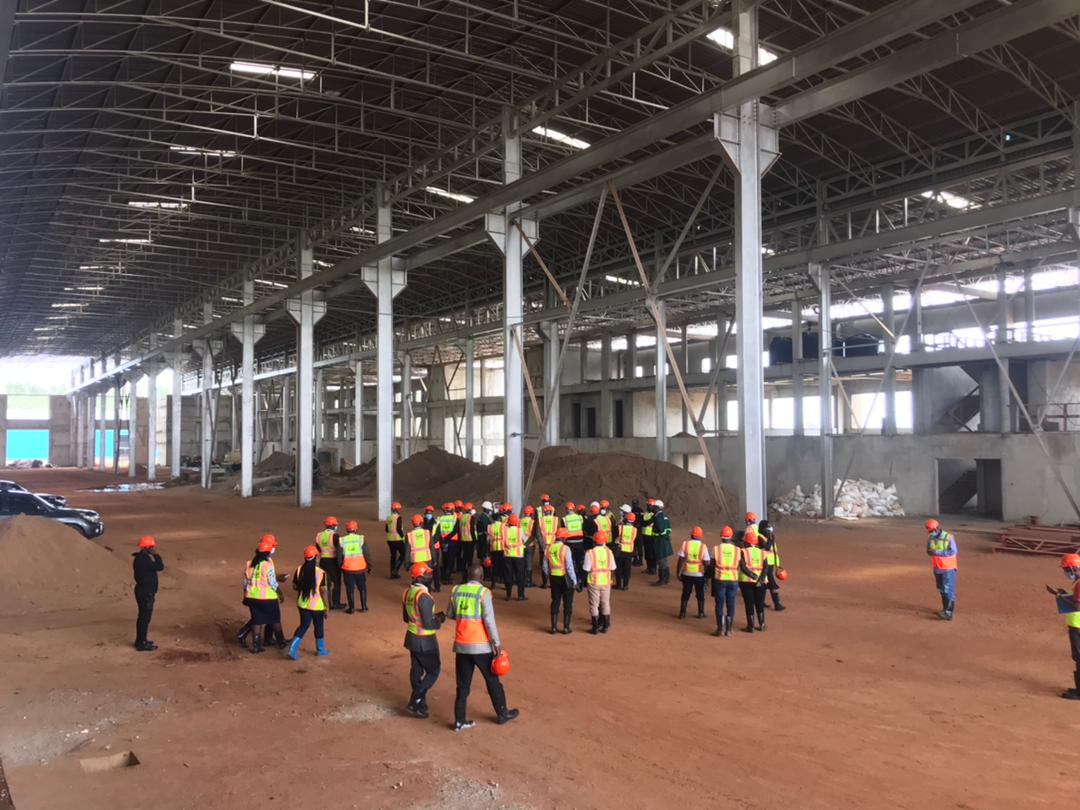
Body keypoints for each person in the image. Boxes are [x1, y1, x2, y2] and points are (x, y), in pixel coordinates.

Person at [446, 565, 520, 731]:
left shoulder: (456, 590)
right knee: (492, 680)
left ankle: (459, 720)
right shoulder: (483, 593)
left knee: (463, 685)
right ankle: (502, 713)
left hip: (461, 646)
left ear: (467, 576)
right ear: (482, 577)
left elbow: (451, 614)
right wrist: (497, 644)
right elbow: (489, 621)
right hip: (481, 647)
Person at [403, 562, 446, 717]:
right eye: (427, 574)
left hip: (411, 637)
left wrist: (432, 617)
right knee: (434, 670)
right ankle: (415, 700)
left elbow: (406, 617)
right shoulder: (424, 597)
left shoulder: (408, 592)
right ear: (420, 577)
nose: (430, 576)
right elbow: (428, 624)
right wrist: (439, 620)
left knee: (416, 670)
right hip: (425, 640)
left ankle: (420, 703)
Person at [237, 534, 286, 649]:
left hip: (252, 597)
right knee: (275, 620)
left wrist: (245, 594)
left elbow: (246, 581)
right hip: (267, 598)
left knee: (257, 621)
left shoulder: (250, 564)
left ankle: (256, 646)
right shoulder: (268, 564)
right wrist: (280, 593)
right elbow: (272, 582)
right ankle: (281, 642)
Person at [288, 545, 330, 659]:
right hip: (317, 607)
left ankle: (292, 649)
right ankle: (321, 650)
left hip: (302, 604)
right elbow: (323, 591)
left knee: (303, 626)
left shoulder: (299, 569)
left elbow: (294, 586)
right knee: (319, 627)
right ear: (316, 557)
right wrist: (327, 607)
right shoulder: (321, 572)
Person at [1050, 554, 1080, 700]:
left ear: (1074, 568)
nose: (1066, 572)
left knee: (1079, 657)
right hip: (1076, 625)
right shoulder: (1077, 581)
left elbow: (1077, 606)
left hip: (1078, 626)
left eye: (1067, 569)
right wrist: (1064, 594)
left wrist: (1061, 598)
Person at [544, 527, 580, 634]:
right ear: (564, 538)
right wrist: (574, 581)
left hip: (554, 578)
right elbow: (569, 566)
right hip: (566, 578)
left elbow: (545, 565)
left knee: (555, 601)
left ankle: (553, 628)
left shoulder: (548, 548)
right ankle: (566, 627)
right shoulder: (565, 549)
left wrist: (549, 575)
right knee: (568, 603)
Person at [133, 535, 164, 652]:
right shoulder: (144, 560)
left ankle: (141, 640)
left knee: (143, 618)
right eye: (151, 547)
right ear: (146, 548)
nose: (153, 548)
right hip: (146, 592)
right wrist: (156, 555)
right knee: (144, 618)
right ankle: (142, 643)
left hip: (142, 590)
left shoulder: (140, 558)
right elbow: (160, 567)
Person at [710, 526, 740, 636]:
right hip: (733, 580)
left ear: (721, 537)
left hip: (720, 580)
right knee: (731, 604)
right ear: (731, 537)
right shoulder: (737, 550)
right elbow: (739, 565)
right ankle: (729, 629)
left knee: (719, 604)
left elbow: (712, 566)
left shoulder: (715, 549)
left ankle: (720, 629)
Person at [583, 532, 616, 634]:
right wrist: (611, 579)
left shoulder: (590, 553)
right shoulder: (609, 552)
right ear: (604, 541)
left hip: (593, 581)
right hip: (606, 581)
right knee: (605, 603)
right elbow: (613, 568)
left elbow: (586, 569)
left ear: (594, 541)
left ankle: (595, 627)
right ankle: (605, 626)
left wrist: (583, 582)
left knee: (594, 604)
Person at [925, 518, 957, 620]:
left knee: (948, 589)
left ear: (936, 528)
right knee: (941, 589)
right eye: (929, 531)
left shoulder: (948, 537)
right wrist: (930, 552)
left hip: (948, 568)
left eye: (931, 531)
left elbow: (953, 551)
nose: (930, 533)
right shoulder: (930, 537)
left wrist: (938, 552)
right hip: (937, 567)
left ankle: (948, 613)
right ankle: (944, 609)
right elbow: (929, 550)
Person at [677, 526, 710, 619]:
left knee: (686, 593)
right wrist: (707, 579)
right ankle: (701, 613)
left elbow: (681, 560)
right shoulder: (703, 547)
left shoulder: (685, 544)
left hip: (686, 573)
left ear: (691, 535)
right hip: (699, 574)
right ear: (701, 536)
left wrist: (678, 572)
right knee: (700, 594)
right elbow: (707, 563)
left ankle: (682, 613)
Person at [738, 530, 767, 633]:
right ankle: (762, 624)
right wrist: (761, 579)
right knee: (760, 603)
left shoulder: (743, 552)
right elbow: (765, 568)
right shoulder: (763, 553)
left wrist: (753, 576)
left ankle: (751, 626)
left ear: (747, 542)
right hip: (761, 582)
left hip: (746, 581)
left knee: (749, 603)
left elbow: (743, 567)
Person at [340, 519, 371, 614]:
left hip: (348, 569)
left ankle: (352, 608)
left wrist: (340, 566)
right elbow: (366, 553)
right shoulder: (360, 538)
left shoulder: (342, 540)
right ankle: (364, 607)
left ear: (347, 529)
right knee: (362, 588)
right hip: (360, 569)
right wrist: (370, 565)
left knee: (350, 589)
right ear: (356, 529)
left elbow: (339, 556)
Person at [316, 516, 345, 610]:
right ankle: (335, 603)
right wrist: (341, 563)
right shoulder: (335, 536)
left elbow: (318, 549)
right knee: (336, 582)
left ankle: (327, 603)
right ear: (333, 525)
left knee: (326, 583)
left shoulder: (319, 535)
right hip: (333, 561)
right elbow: (339, 550)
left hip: (323, 561)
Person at [758, 519, 785, 611]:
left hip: (770, 563)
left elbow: (773, 550)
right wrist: (770, 539)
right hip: (765, 563)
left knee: (766, 582)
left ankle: (761, 601)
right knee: (771, 583)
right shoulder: (760, 537)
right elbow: (767, 547)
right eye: (767, 526)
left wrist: (777, 564)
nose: (770, 528)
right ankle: (777, 603)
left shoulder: (769, 536)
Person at [406, 513, 438, 592]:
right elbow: (432, 548)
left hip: (415, 561)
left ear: (413, 524)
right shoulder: (427, 533)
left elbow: (407, 551)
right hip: (427, 560)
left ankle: (416, 596)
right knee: (427, 581)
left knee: (416, 581)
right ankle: (428, 595)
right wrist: (435, 560)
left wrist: (406, 564)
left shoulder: (409, 535)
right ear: (422, 523)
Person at [503, 513, 527, 601]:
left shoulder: (505, 530)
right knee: (520, 576)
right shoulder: (520, 531)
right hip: (518, 556)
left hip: (507, 555)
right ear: (517, 522)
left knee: (508, 575)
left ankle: (508, 595)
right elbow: (525, 540)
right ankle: (520, 595)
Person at [435, 502, 460, 583]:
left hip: (442, 541)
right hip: (452, 542)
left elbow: (437, 530)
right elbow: (455, 530)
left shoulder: (440, 518)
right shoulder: (455, 518)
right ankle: (447, 578)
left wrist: (443, 539)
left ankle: (442, 576)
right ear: (452, 509)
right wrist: (447, 538)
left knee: (444, 559)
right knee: (450, 560)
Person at [650, 499, 673, 586]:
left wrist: (658, 535)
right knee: (665, 561)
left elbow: (661, 530)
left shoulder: (657, 517)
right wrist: (666, 535)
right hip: (665, 542)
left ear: (657, 508)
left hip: (660, 542)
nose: (653, 508)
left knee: (661, 561)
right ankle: (666, 579)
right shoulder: (665, 516)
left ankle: (662, 580)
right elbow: (669, 529)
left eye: (654, 507)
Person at [536, 503, 558, 589]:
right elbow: (558, 532)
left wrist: (542, 545)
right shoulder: (556, 520)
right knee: (553, 564)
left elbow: (538, 534)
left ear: (544, 512)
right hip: (554, 545)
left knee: (544, 564)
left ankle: (545, 583)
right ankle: (553, 583)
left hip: (544, 546)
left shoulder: (540, 520)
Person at [614, 507, 637, 590]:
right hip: (629, 551)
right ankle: (626, 585)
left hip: (620, 550)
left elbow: (614, 535)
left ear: (626, 519)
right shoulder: (634, 530)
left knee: (619, 568)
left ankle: (618, 584)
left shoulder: (620, 527)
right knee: (627, 569)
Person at [562, 501, 585, 578]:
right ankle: (580, 577)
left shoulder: (564, 519)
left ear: (566, 509)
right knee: (579, 561)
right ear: (573, 509)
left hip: (569, 543)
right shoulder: (580, 517)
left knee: (570, 561)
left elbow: (563, 531)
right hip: (580, 542)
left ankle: (572, 577)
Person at [385, 501, 406, 579]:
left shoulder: (388, 518)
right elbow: (398, 529)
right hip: (398, 539)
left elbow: (386, 529)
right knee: (403, 554)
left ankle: (392, 574)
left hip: (390, 540)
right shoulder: (398, 517)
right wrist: (403, 537)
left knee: (393, 556)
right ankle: (395, 570)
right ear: (397, 509)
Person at [487, 507, 506, 590]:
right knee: (503, 566)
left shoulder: (489, 527)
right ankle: (505, 584)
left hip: (493, 548)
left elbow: (488, 539)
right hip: (502, 548)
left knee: (494, 566)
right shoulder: (503, 526)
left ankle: (493, 584)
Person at [458, 502, 476, 580]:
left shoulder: (461, 517)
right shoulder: (471, 517)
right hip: (470, 540)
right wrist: (475, 540)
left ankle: (463, 577)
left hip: (462, 540)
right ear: (470, 509)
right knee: (469, 560)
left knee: (464, 559)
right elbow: (472, 530)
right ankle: (470, 577)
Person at [520, 505, 537, 587]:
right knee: (529, 563)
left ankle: (522, 580)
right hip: (530, 545)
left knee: (522, 563)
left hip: (521, 544)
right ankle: (528, 581)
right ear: (531, 513)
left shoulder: (520, 521)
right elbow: (533, 534)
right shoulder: (532, 522)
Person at [642, 498, 657, 574]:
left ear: (653, 506)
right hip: (645, 535)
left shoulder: (655, 515)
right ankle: (648, 568)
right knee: (647, 553)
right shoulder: (646, 513)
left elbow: (645, 523)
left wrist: (645, 522)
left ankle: (653, 569)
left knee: (652, 553)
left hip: (651, 536)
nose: (647, 506)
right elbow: (643, 522)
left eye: (649, 505)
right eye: (647, 505)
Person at [630, 499, 645, 566]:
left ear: (638, 504)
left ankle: (640, 560)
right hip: (633, 531)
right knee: (634, 546)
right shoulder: (631, 510)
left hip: (638, 531)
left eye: (635, 504)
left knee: (639, 546)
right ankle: (635, 559)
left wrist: (637, 526)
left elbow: (642, 520)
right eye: (633, 504)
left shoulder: (640, 511)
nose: (634, 505)